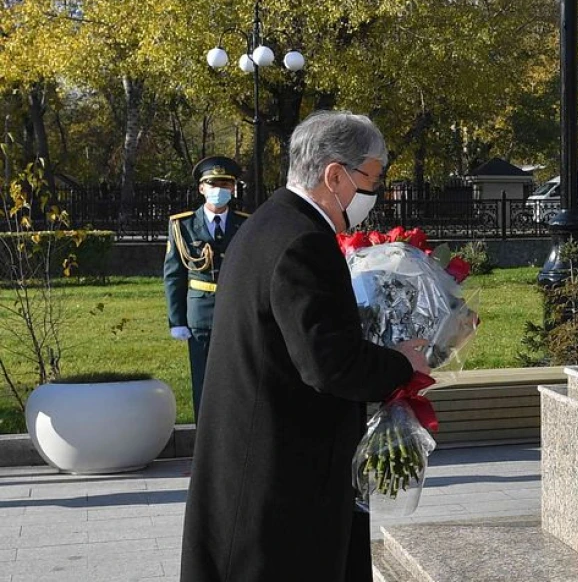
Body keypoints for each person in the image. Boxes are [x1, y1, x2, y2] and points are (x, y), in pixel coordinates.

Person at [180, 111, 432, 582]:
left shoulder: (269, 223)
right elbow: (329, 363)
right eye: (372, 179)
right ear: (335, 175)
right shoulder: (303, 242)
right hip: (280, 475)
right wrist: (402, 363)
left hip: (255, 457)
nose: (374, 195)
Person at [163, 156, 249, 421]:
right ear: (201, 188)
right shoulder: (183, 225)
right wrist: (176, 320)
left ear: (233, 189)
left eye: (225, 184)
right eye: (212, 183)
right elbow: (174, 274)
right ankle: (205, 446)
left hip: (236, 315)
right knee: (204, 382)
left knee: (237, 382)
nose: (219, 189)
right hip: (200, 314)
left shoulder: (246, 223)